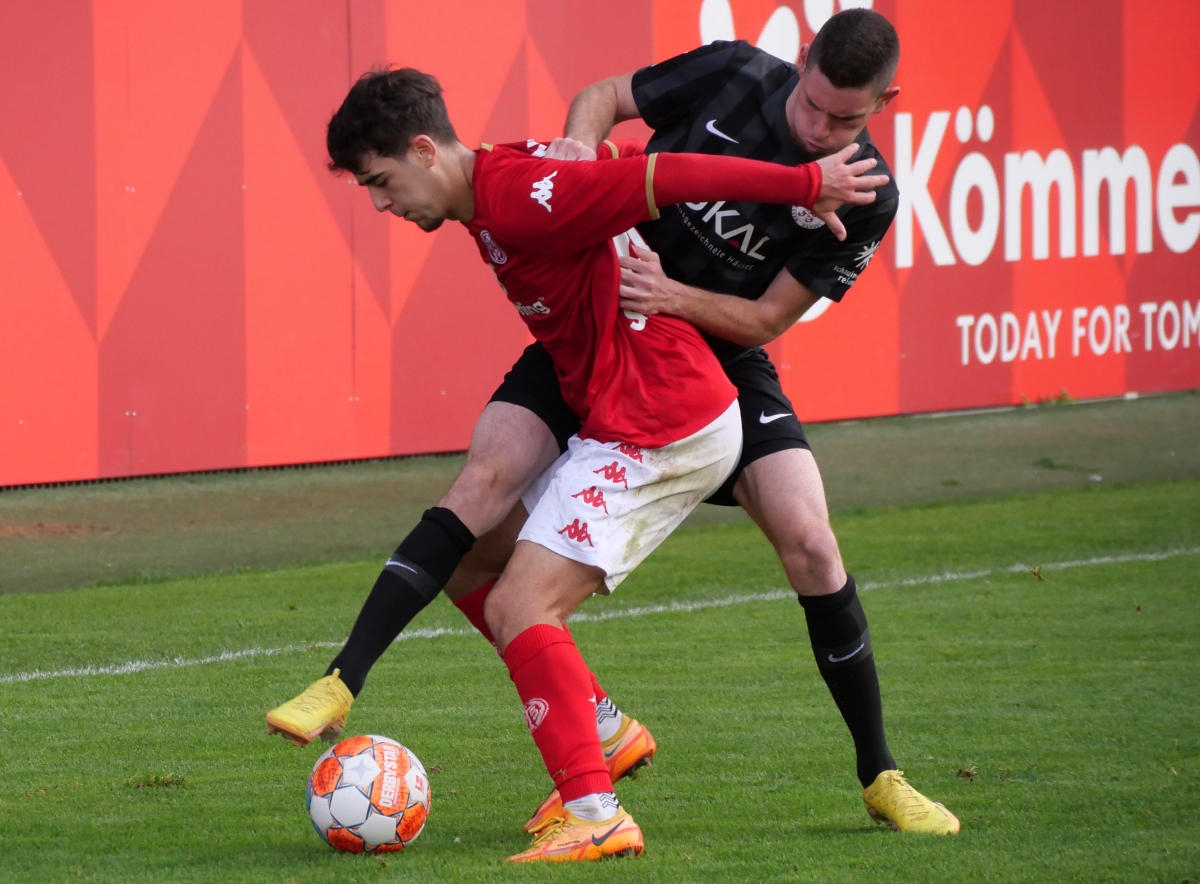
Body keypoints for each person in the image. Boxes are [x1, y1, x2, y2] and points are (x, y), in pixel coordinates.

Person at [270, 7, 960, 839]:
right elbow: (601, 101)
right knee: (475, 512)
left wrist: (681, 287)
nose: (819, 127)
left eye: (845, 119)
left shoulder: (867, 193)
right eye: (813, 105)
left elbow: (770, 319)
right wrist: (571, 157)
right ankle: (586, 725)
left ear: (885, 103)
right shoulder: (733, 75)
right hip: (597, 325)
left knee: (811, 542)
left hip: (701, 353)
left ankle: (880, 773)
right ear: (802, 58)